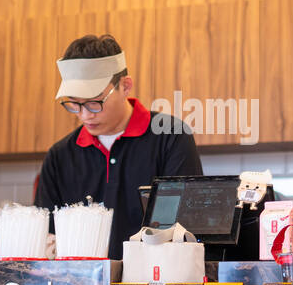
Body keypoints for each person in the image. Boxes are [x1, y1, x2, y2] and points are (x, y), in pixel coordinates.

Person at [34, 34, 201, 257]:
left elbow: (186, 230)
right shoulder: (60, 156)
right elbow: (47, 239)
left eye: (94, 102)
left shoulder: (171, 137)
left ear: (125, 86)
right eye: (74, 103)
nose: (84, 115)